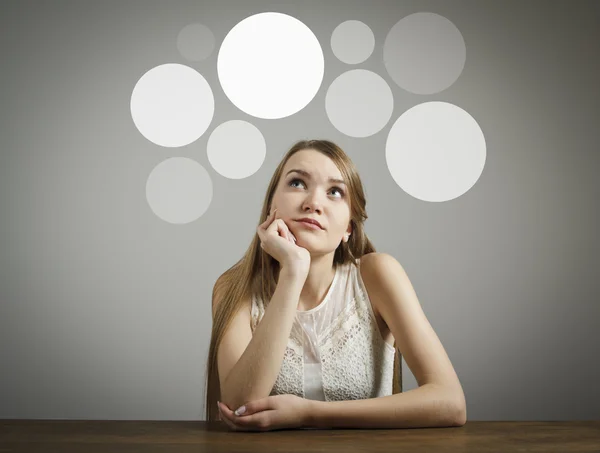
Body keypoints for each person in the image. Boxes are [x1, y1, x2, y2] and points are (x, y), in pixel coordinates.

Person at [204, 139, 466, 430]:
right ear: (271, 205)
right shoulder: (233, 288)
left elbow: (450, 402)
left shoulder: (378, 275)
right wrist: (293, 271)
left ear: (349, 228)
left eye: (335, 192)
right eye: (297, 183)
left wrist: (310, 413)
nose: (313, 203)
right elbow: (240, 405)